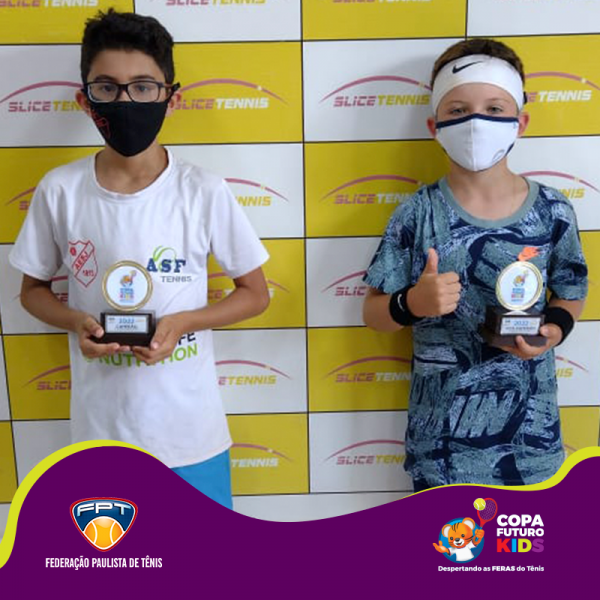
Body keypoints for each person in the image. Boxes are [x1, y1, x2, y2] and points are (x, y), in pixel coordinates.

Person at [9, 10, 270, 509]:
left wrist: (183, 322)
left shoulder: (203, 190)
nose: (126, 102)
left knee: (203, 556)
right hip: (101, 436)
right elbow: (32, 291)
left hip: (190, 437)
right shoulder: (60, 190)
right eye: (107, 88)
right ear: (85, 100)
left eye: (144, 87)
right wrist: (76, 321)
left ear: (172, 97)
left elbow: (255, 294)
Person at [362, 39, 588, 491]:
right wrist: (411, 304)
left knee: (528, 543)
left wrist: (553, 331)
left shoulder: (553, 210)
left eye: (494, 108)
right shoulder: (417, 213)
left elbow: (571, 290)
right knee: (448, 544)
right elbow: (373, 314)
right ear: (435, 126)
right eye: (459, 110)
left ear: (521, 122)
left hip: (530, 446)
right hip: (441, 452)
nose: (476, 122)